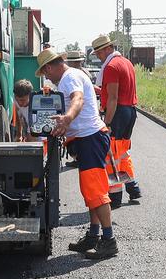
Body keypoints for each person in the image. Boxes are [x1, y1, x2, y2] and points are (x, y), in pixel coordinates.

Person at [37, 48, 118, 259]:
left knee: (97, 192)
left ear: (49, 67)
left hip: (90, 138)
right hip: (88, 138)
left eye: (45, 73)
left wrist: (67, 119)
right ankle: (93, 235)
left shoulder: (68, 78)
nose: (47, 78)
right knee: (91, 191)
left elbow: (78, 100)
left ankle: (108, 240)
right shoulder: (74, 74)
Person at [90, 34, 142, 206]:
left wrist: (108, 123)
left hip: (118, 114)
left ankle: (116, 197)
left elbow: (113, 98)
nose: (98, 56)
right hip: (130, 111)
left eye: (98, 53)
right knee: (122, 153)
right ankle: (133, 188)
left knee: (111, 155)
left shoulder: (111, 67)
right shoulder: (126, 63)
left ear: (107, 49)